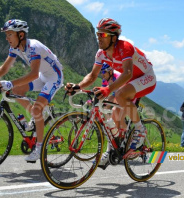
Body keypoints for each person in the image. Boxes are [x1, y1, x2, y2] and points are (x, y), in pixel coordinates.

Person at [65, 18, 156, 168]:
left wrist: (108, 89)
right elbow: (92, 76)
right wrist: (78, 86)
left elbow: (126, 73)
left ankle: (140, 130)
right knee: (113, 113)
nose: (99, 38)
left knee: (119, 95)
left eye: (103, 35)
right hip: (131, 80)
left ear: (113, 37)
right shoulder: (101, 54)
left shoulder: (125, 47)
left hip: (146, 77)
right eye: (98, 34)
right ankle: (114, 147)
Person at [0, 19, 64, 162]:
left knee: (36, 109)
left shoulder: (33, 47)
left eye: (9, 34)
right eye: (6, 34)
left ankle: (39, 148)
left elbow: (33, 74)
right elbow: (4, 68)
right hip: (42, 75)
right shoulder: (15, 47)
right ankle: (34, 120)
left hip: (54, 77)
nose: (6, 38)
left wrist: (9, 82)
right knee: (16, 90)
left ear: (21, 35)